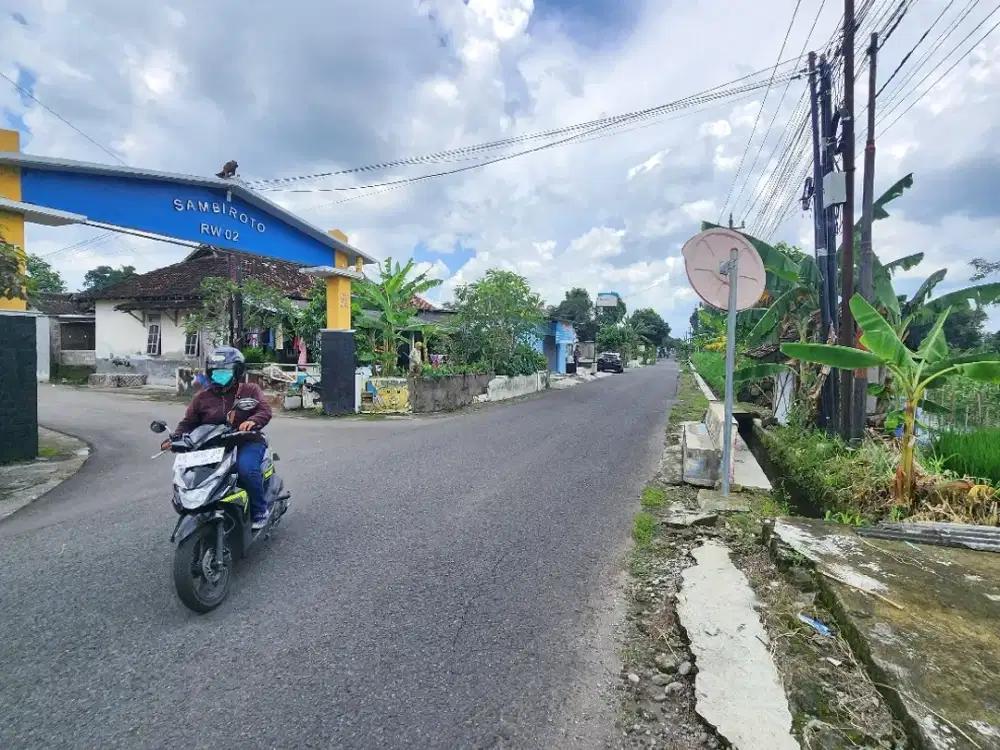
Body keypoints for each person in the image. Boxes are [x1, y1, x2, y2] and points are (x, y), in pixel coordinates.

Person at [163, 346, 273, 530]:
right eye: (216, 371)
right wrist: (176, 437)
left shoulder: (250, 390)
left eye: (225, 371)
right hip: (212, 446)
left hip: (246, 440)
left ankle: (260, 510)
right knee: (195, 475)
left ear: (237, 371)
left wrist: (252, 421)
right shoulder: (202, 397)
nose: (219, 375)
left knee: (246, 470)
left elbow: (264, 410)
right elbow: (188, 422)